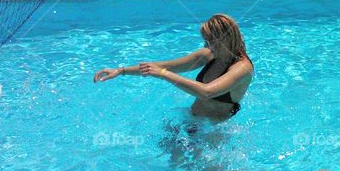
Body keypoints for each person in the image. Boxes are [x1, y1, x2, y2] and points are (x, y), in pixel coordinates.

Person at [93, 14, 253, 119]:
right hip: (192, 120)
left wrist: (163, 74)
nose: (206, 45)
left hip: (214, 132)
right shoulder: (209, 55)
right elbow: (164, 66)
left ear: (223, 39)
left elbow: (207, 92)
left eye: (209, 41)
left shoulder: (242, 68)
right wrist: (121, 71)